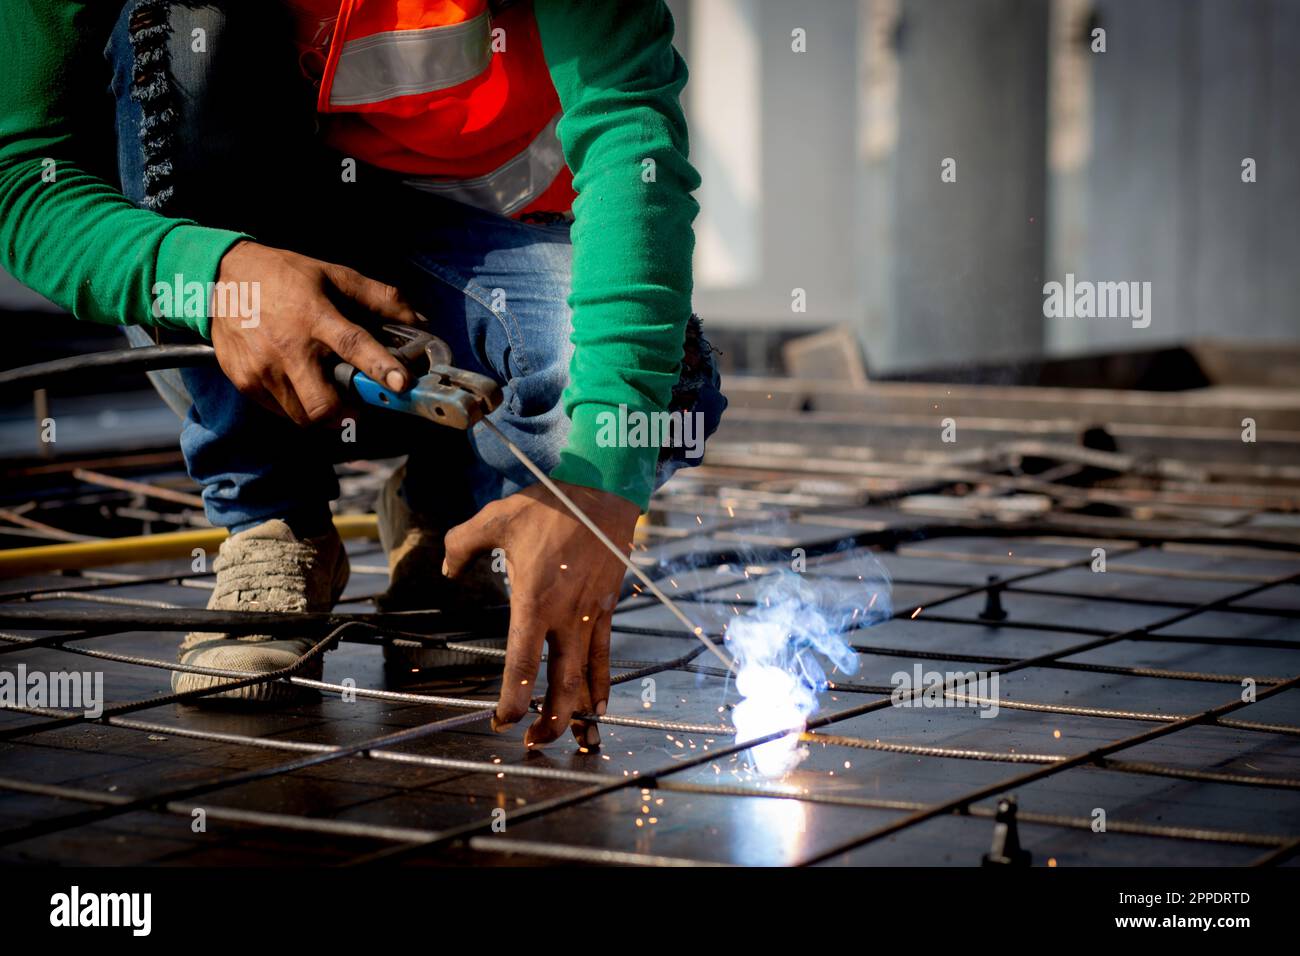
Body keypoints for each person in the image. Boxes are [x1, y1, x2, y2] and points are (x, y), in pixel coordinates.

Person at [0, 0, 725, 750]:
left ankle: (450, 523)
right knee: (178, 20)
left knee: (666, 387)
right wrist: (213, 279)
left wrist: (599, 478)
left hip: (470, 248)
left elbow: (628, 134)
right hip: (254, 245)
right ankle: (272, 521)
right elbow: (18, 178)